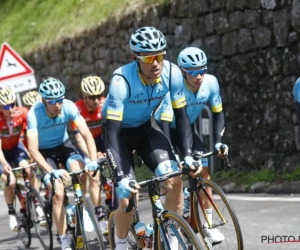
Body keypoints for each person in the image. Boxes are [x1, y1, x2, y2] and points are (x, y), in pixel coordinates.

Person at [102, 26, 201, 250]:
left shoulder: (173, 73)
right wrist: (121, 178)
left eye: (160, 55)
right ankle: (119, 244)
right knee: (128, 201)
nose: (156, 63)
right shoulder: (121, 81)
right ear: (135, 58)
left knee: (175, 180)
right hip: (119, 137)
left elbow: (182, 116)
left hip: (147, 129)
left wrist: (187, 156)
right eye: (148, 57)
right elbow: (111, 133)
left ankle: (171, 241)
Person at [155, 47, 228, 244]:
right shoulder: (175, 87)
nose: (199, 76)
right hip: (165, 130)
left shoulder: (211, 83)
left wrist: (219, 141)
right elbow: (165, 126)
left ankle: (208, 226)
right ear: (183, 71)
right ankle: (169, 220)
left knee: (203, 171)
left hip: (187, 130)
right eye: (193, 72)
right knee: (172, 176)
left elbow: (218, 113)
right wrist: (175, 156)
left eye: (202, 70)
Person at [26, 77, 99, 250]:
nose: (57, 104)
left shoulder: (69, 106)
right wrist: (50, 171)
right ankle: (64, 238)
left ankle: (81, 206)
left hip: (64, 146)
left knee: (82, 172)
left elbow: (87, 135)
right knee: (58, 193)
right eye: (52, 101)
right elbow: (33, 150)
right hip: (44, 153)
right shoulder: (34, 114)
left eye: (60, 99)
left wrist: (93, 160)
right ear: (44, 100)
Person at [71, 75, 111, 228]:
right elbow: (80, 138)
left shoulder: (105, 103)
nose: (96, 101)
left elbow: (113, 129)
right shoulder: (77, 109)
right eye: (92, 97)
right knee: (93, 175)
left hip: (102, 138)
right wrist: (92, 156)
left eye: (99, 96)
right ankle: (99, 213)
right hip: (87, 144)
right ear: (84, 96)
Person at [0, 88, 43, 231]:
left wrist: (31, 153)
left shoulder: (22, 113)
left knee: (29, 168)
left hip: (16, 147)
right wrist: (5, 164)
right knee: (10, 181)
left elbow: (28, 135)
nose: (10, 109)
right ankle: (12, 212)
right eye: (6, 107)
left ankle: (36, 203)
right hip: (2, 153)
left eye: (12, 104)